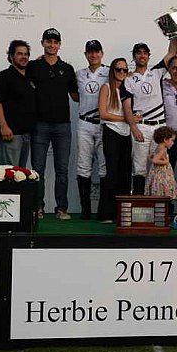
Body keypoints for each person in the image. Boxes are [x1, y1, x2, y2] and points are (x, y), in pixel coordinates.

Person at [28, 28, 78, 220]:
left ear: (60, 45)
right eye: (48, 41)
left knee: (62, 170)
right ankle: (37, 207)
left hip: (62, 126)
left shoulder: (67, 68)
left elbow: (76, 96)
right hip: (39, 125)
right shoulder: (33, 66)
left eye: (55, 42)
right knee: (37, 169)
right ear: (42, 43)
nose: (52, 45)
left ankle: (61, 208)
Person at [121, 42, 175, 195]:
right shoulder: (128, 79)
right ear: (134, 56)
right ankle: (139, 201)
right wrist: (133, 127)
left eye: (145, 52)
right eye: (139, 52)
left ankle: (159, 202)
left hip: (159, 126)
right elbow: (127, 107)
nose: (142, 55)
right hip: (141, 127)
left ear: (149, 56)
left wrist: (174, 35)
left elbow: (171, 53)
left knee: (160, 164)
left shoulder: (157, 72)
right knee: (139, 167)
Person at [0, 39, 36, 167]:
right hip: (10, 134)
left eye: (26, 54)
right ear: (11, 56)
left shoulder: (30, 78)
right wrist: (3, 126)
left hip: (26, 134)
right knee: (9, 173)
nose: (23, 57)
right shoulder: (3, 77)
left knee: (20, 174)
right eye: (19, 54)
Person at [75, 40, 109, 219]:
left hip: (104, 124)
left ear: (102, 53)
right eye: (90, 52)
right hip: (85, 123)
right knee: (83, 166)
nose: (93, 55)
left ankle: (103, 207)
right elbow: (74, 95)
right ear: (85, 54)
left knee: (104, 166)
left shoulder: (110, 72)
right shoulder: (79, 74)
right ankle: (85, 209)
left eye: (96, 51)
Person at [97, 58, 133, 222]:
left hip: (126, 133)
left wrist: (131, 120)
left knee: (125, 173)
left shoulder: (128, 88)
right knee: (111, 173)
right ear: (112, 71)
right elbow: (103, 113)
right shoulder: (106, 87)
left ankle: (122, 213)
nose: (122, 73)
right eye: (119, 69)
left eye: (125, 70)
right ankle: (105, 213)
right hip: (111, 131)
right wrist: (126, 119)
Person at [145, 126, 177, 200]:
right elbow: (155, 160)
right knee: (162, 189)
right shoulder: (162, 149)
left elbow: (150, 157)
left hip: (158, 172)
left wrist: (153, 158)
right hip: (161, 173)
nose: (173, 143)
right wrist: (166, 162)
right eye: (172, 140)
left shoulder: (159, 147)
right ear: (165, 140)